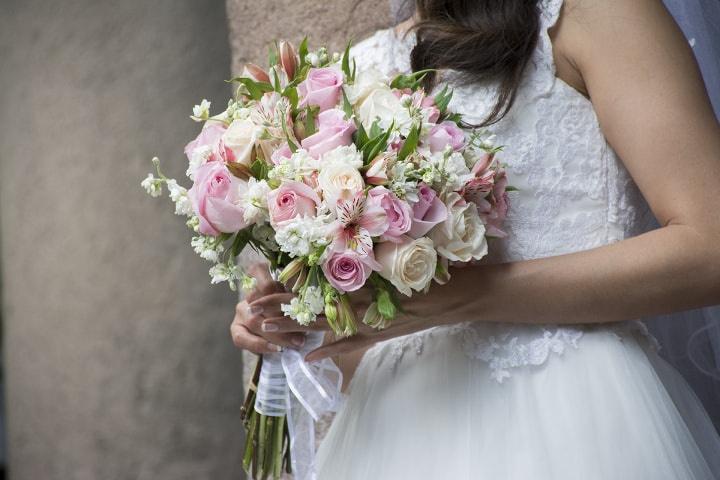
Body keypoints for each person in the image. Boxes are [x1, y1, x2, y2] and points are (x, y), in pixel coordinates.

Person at [231, 0, 720, 477]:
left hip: (572, 409)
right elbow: (375, 333)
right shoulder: (353, 70)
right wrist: (305, 314)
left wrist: (470, 296)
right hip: (398, 427)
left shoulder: (595, 15)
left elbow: (710, 246)